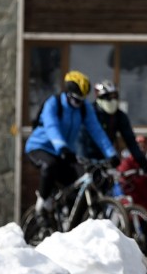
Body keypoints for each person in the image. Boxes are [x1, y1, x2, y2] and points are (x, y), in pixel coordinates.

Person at [24, 70, 119, 216]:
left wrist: (111, 153)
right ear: (67, 94)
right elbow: (52, 127)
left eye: (81, 100)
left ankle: (70, 217)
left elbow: (97, 132)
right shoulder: (53, 103)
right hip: (39, 148)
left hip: (64, 152)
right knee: (49, 165)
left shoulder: (84, 108)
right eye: (75, 100)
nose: (78, 104)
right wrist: (61, 147)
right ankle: (42, 202)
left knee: (82, 180)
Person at [84, 80, 147, 180]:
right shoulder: (90, 112)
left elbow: (131, 142)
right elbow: (82, 138)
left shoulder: (119, 116)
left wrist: (145, 165)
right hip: (86, 155)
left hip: (107, 156)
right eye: (108, 97)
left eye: (115, 97)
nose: (112, 100)